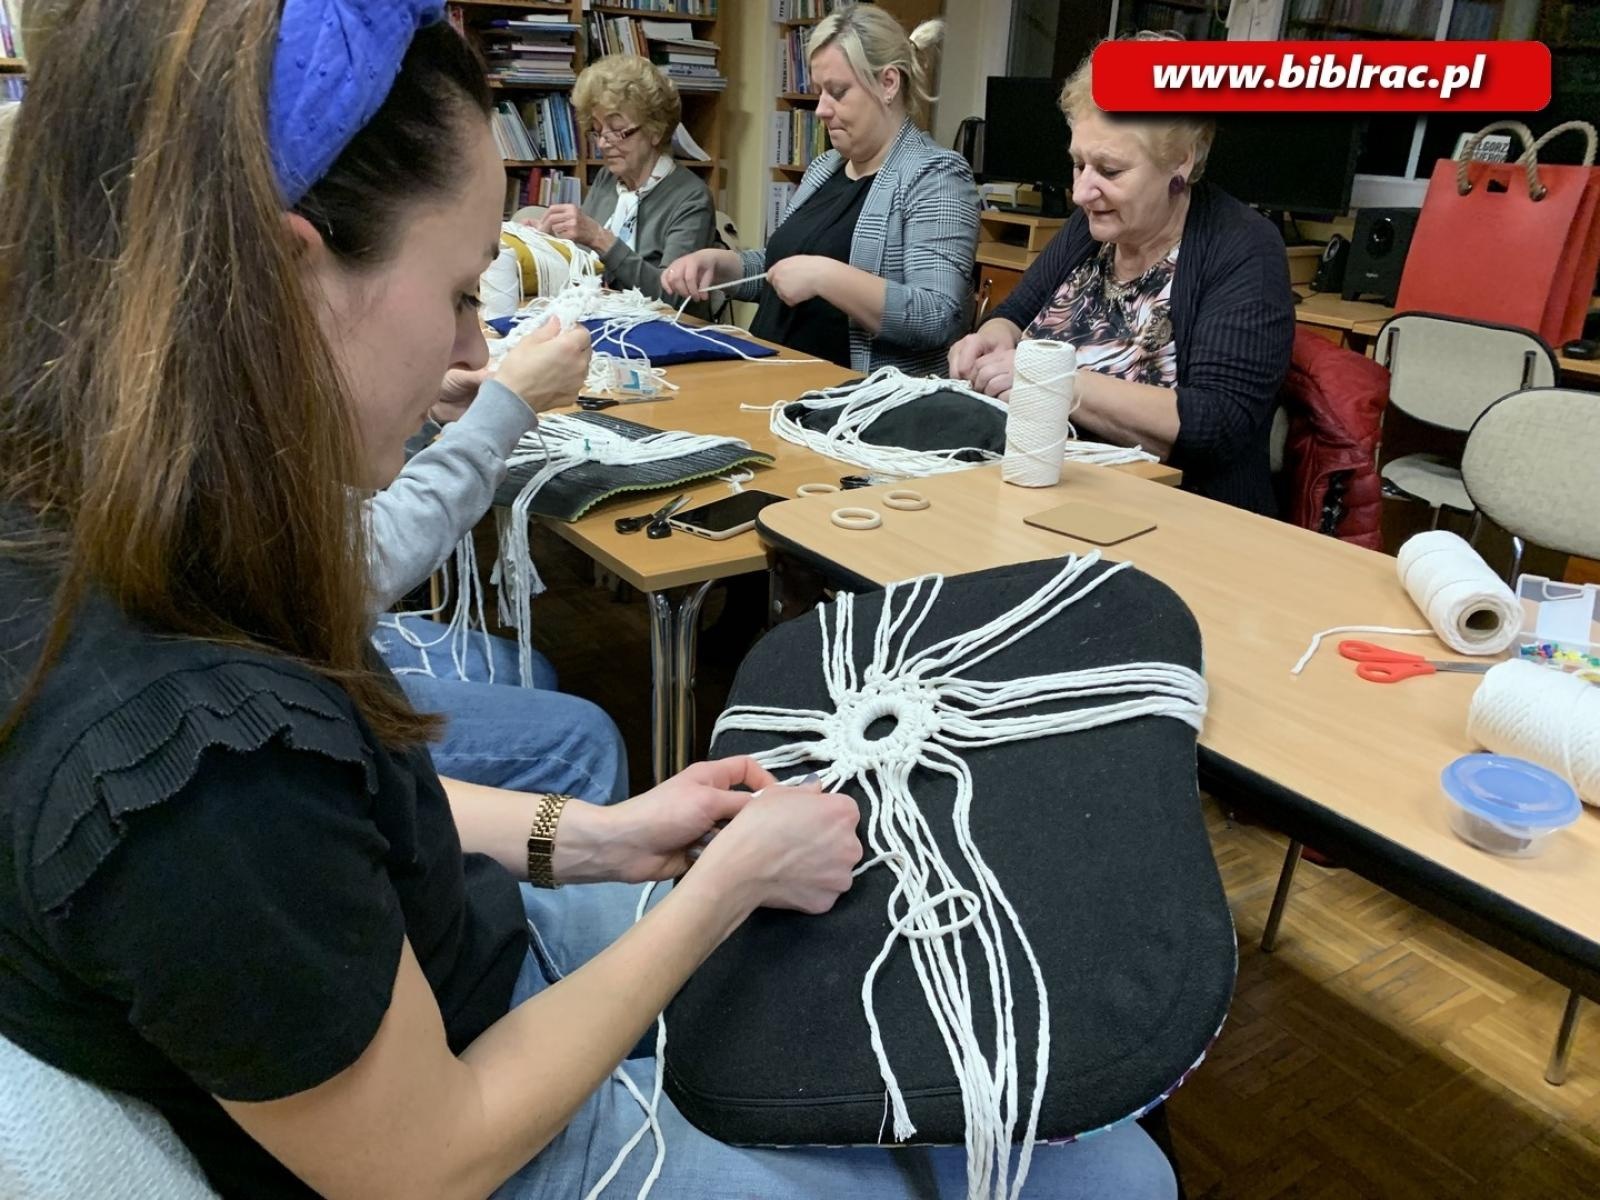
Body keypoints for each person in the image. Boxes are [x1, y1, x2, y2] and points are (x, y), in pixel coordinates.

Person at [0, 5, 1179, 1198]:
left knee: (1094, 1152)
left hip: (464, 967)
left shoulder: (102, 528)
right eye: (460, 293)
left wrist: (592, 839)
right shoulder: (186, 753)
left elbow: (338, 816)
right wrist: (717, 892)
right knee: (1112, 1183)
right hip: (479, 1118)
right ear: (292, 278)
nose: (473, 349)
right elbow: (433, 1157)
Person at [948, 34, 1295, 515]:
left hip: (1175, 520)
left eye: (1109, 171)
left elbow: (1220, 423)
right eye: (1078, 165)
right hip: (1044, 492)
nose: (1082, 193)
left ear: (1181, 162)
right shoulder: (1091, 229)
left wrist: (1061, 386)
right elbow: (1015, 315)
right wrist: (990, 335)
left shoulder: (1243, 248)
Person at [661, 5, 979, 376]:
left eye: (838, 92)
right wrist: (723, 266)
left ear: (888, 83)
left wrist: (826, 277)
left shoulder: (935, 175)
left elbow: (937, 315)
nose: (821, 109)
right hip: (768, 378)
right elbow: (785, 268)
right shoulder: (824, 168)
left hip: (852, 403)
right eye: (818, 92)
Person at [366, 355, 629, 803]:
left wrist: (426, 409)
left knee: (527, 671)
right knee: (585, 744)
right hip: (304, 674)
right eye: (461, 299)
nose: (473, 345)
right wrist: (504, 411)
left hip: (328, 639)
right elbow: (372, 553)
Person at [536, 54, 714, 306]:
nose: (602, 143)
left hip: (659, 333)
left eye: (618, 130)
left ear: (656, 130)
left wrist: (599, 238)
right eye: (597, 131)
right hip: (599, 318)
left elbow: (672, 298)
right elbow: (583, 263)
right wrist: (551, 241)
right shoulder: (608, 178)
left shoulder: (691, 197)